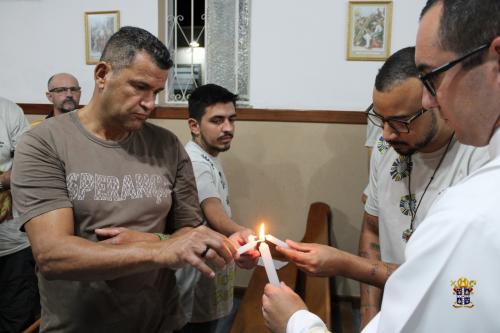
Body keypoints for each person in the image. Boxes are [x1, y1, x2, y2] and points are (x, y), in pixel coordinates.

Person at [264, 0, 500, 331]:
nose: (387, 134)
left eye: (402, 121)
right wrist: (369, 308)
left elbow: (455, 301)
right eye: (380, 120)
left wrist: (296, 321)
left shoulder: (476, 184)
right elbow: (373, 226)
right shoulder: (384, 148)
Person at [11, 26, 236, 333]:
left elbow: (188, 231)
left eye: (155, 92)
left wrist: (156, 240)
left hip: (160, 321)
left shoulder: (167, 146)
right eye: (140, 87)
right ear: (102, 74)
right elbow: (53, 255)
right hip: (81, 325)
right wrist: (160, 251)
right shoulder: (44, 143)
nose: (150, 103)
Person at [176, 84, 259, 333]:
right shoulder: (195, 161)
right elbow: (213, 212)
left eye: (232, 120)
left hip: (213, 269)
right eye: (217, 120)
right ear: (194, 125)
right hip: (197, 279)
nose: (228, 128)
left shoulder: (207, 155)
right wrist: (243, 232)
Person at [0, 97, 38, 333]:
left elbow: (29, 162)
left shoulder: (8, 110)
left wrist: (4, 180)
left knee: (17, 317)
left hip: (12, 243)